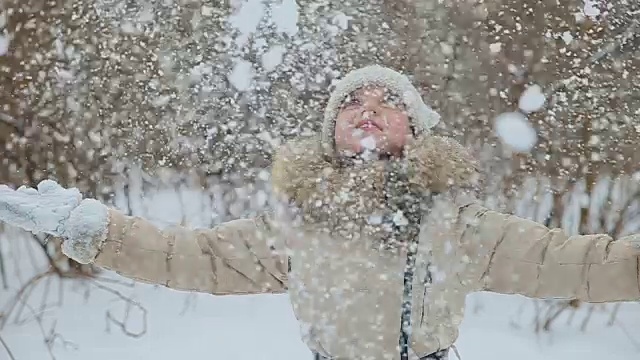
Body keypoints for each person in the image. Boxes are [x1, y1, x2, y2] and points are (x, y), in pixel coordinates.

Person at [1, 65, 640, 360]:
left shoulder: (461, 224)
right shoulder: (296, 227)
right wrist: (94, 229)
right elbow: (187, 257)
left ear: (414, 129)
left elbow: (579, 265)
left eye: (386, 101)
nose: (367, 108)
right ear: (331, 130)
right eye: (350, 102)